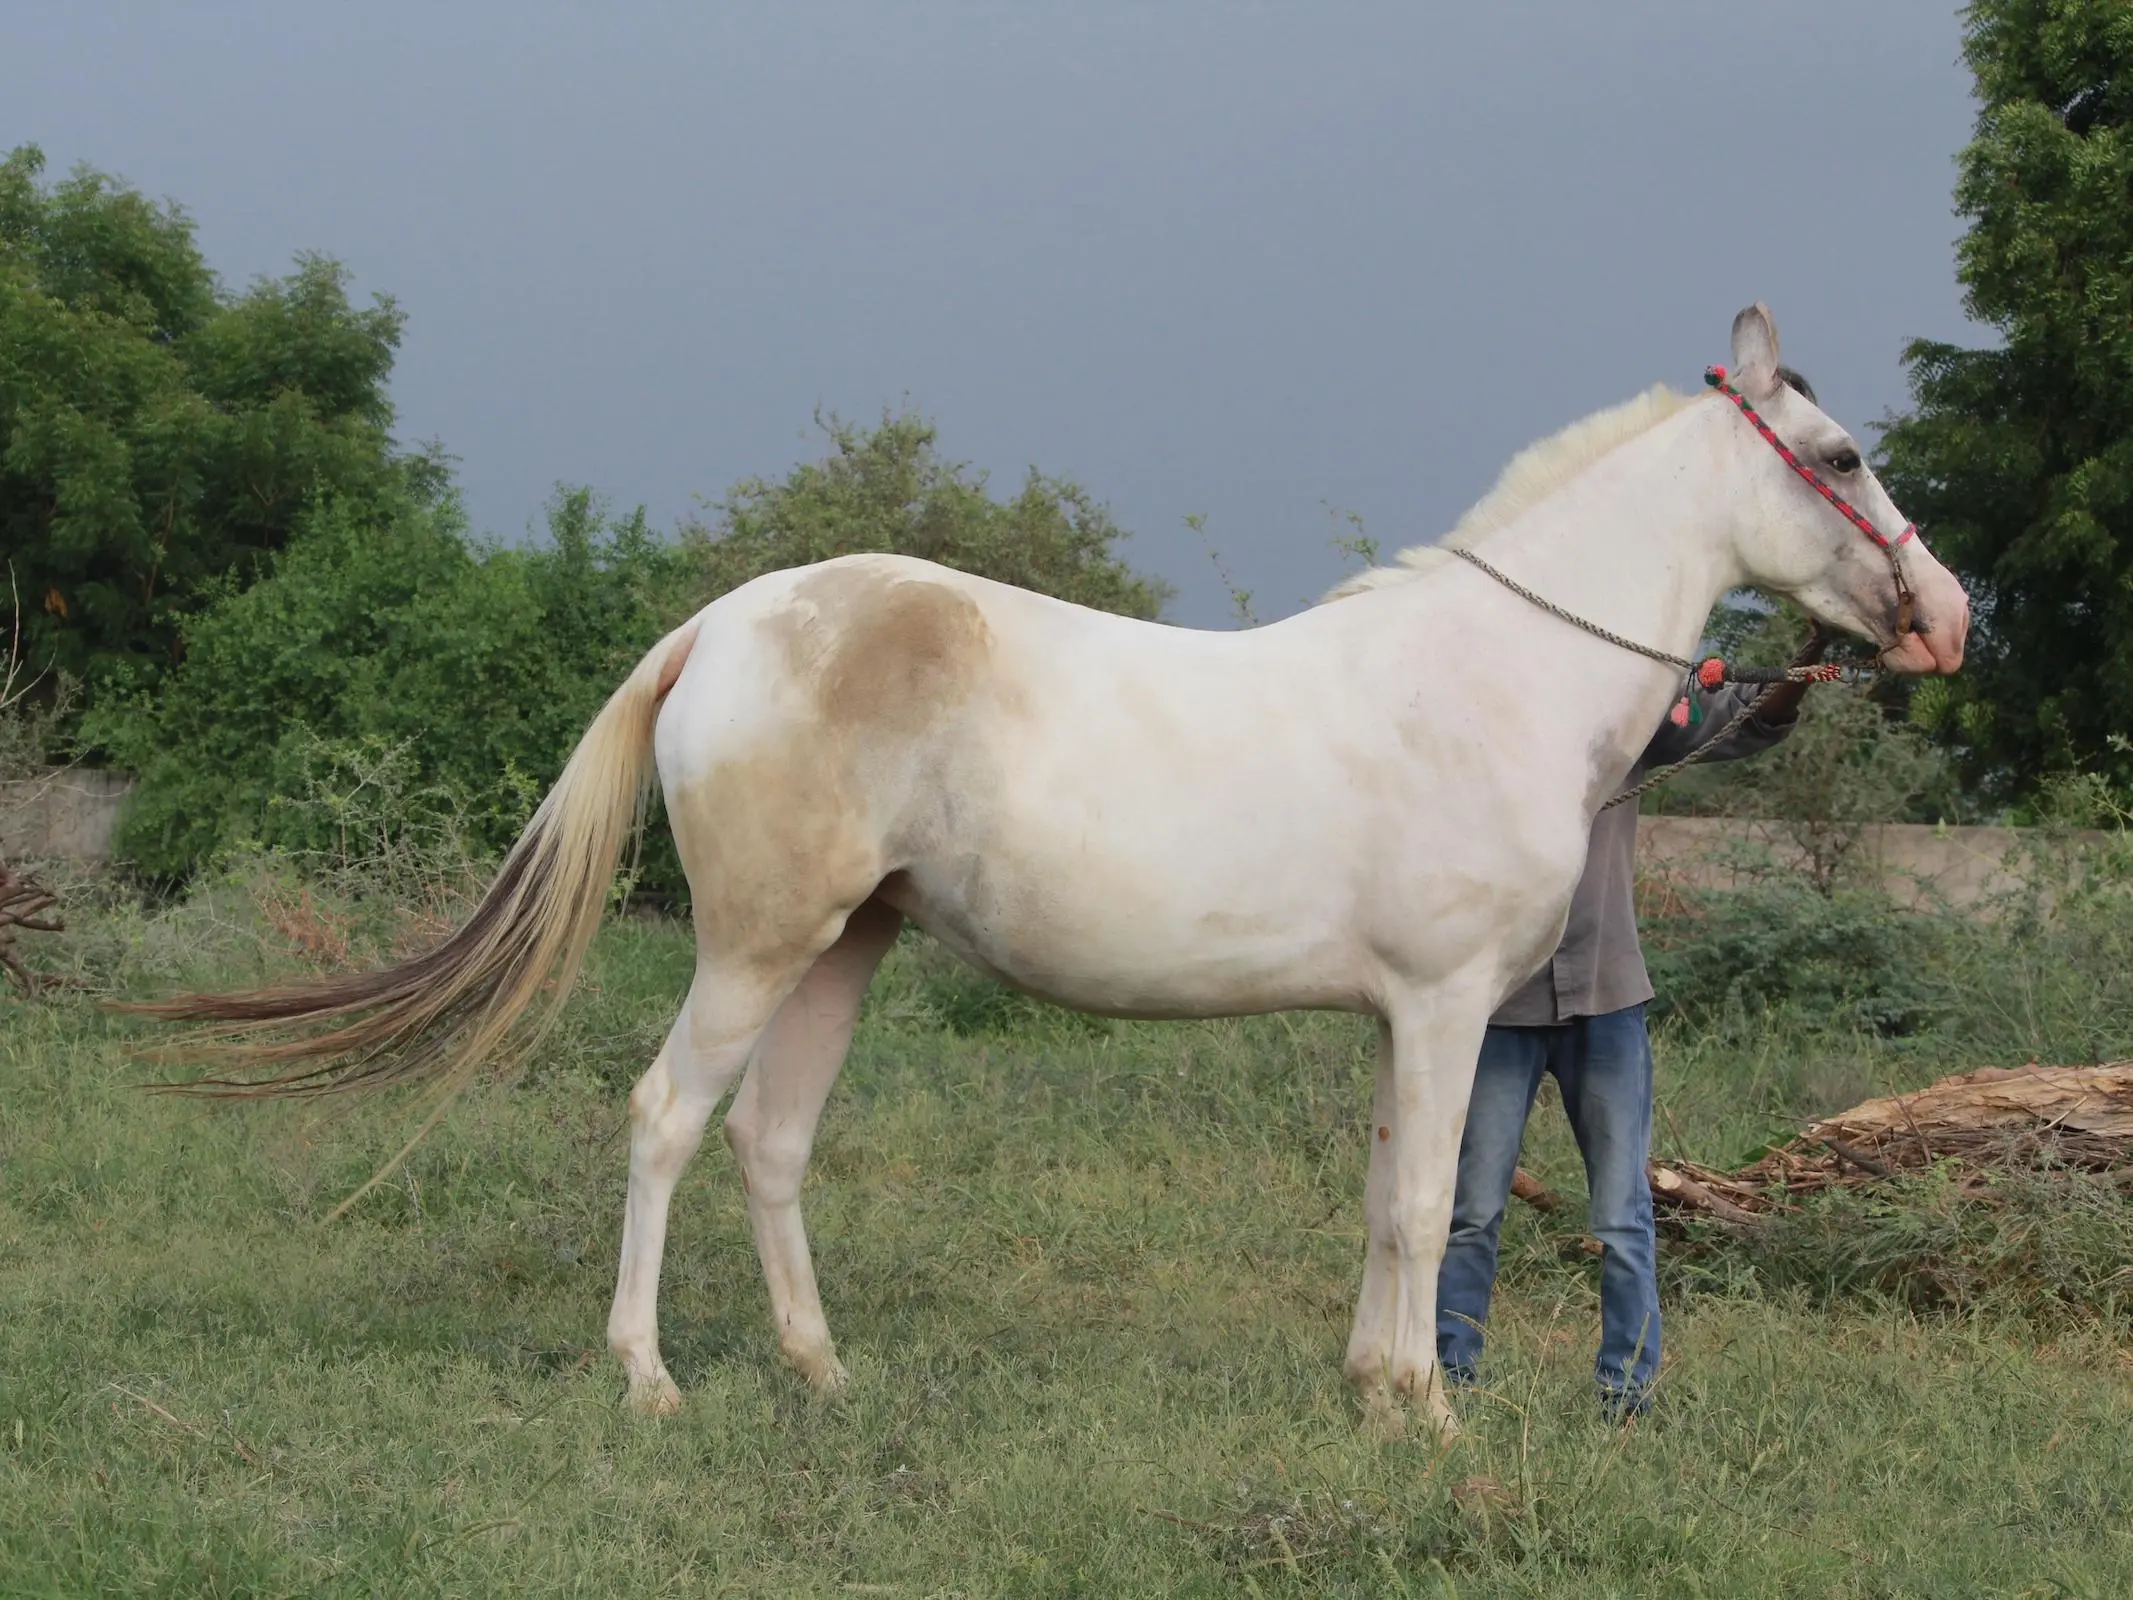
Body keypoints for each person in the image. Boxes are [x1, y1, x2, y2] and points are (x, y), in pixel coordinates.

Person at [1435, 368, 1828, 1421]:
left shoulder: (1639, 714)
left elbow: (1746, 719)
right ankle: (1447, 1377)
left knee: (1622, 1212)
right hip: (1503, 1002)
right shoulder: (1502, 723)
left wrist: (1801, 663)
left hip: (1608, 997)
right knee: (1470, 1209)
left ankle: (1628, 1393)